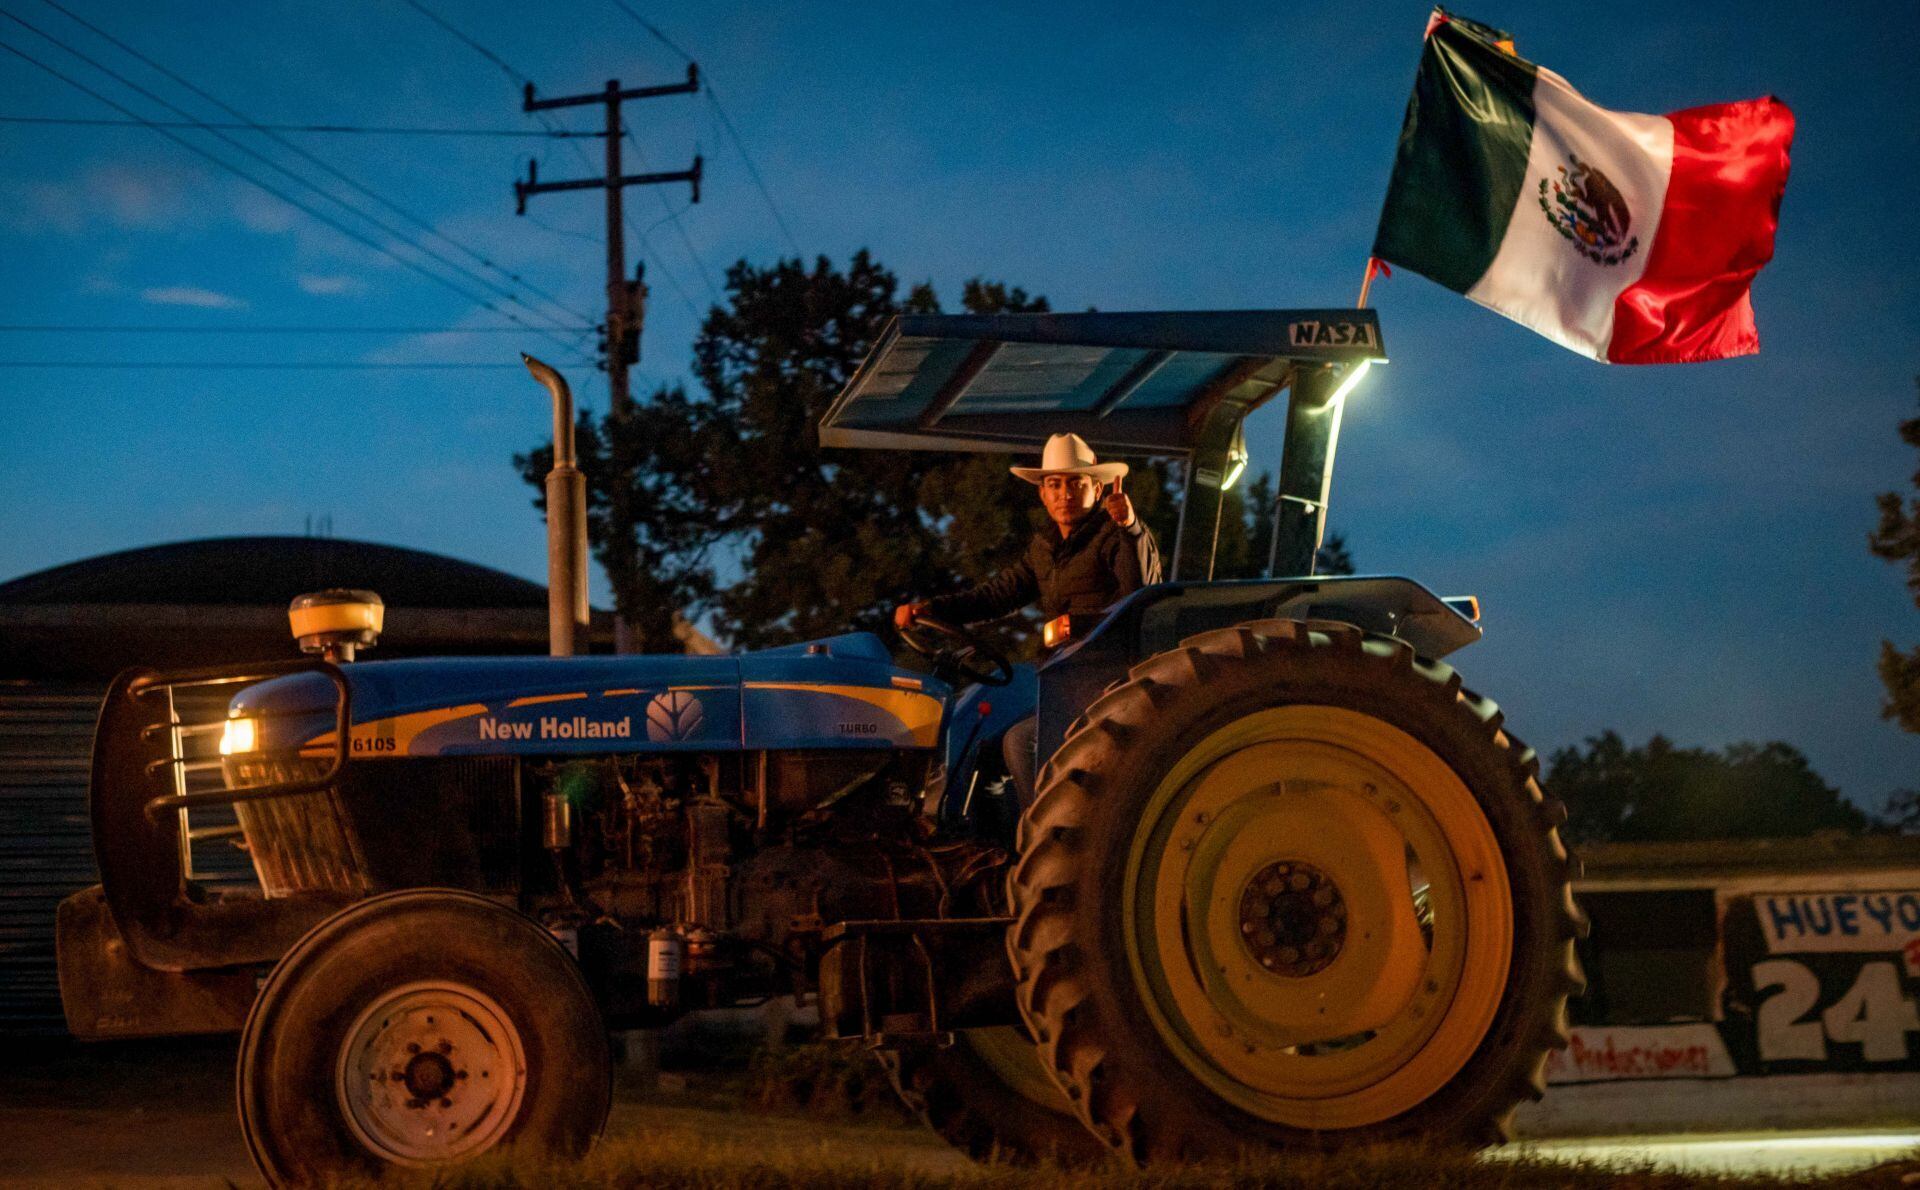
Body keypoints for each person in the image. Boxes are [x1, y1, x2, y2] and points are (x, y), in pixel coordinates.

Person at [894, 433, 1161, 804]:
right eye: (1055, 484)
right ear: (1042, 493)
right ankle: (982, 845)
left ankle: (1036, 841)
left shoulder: (1117, 535)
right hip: (1060, 678)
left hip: (1104, 681)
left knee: (1022, 743)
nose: (1064, 494)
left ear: (1097, 489)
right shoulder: (1045, 548)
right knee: (977, 738)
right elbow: (997, 596)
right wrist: (931, 610)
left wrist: (1130, 528)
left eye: (1075, 483)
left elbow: (1142, 596)